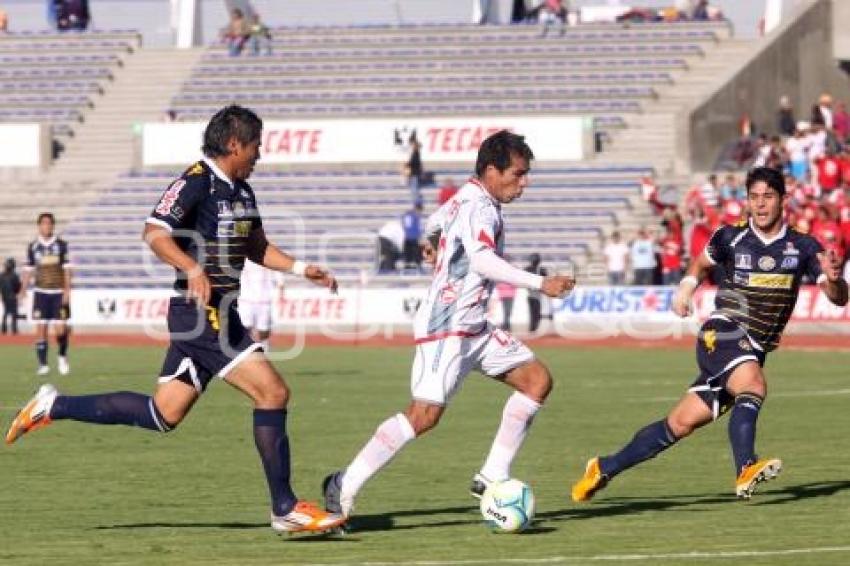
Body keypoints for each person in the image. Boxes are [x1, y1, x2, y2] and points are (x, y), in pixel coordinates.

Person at [5, 106, 345, 534]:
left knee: (161, 413)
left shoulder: (242, 191)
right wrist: (192, 268)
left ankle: (53, 404)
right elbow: (154, 231)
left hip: (222, 313)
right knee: (273, 392)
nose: (260, 154)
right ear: (235, 143)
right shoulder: (196, 181)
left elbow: (256, 245)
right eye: (256, 145)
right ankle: (285, 507)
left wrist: (301, 269)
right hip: (200, 313)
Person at [321, 131, 575, 520]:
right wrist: (541, 283)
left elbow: (436, 224)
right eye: (518, 174)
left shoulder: (465, 198)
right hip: (447, 325)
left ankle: (492, 475)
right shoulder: (481, 208)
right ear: (492, 170)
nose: (524, 183)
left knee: (536, 380)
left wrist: (432, 242)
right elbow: (482, 260)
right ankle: (344, 485)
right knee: (423, 416)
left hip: (473, 325)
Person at [571, 167, 848, 503]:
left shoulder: (803, 246)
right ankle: (745, 468)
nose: (760, 205)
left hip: (752, 349)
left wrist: (834, 279)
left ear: (783, 200)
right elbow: (700, 265)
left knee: (679, 424)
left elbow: (838, 298)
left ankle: (602, 467)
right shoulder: (729, 237)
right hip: (723, 331)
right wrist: (685, 289)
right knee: (754, 385)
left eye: (768, 197)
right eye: (754, 197)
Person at [18, 213, 72, 375]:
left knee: (60, 329)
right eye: (43, 223)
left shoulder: (61, 245)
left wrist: (67, 290)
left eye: (49, 223)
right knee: (41, 329)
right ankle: (43, 364)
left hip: (57, 293)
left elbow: (67, 270)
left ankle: (62, 356)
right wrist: (22, 290)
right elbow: (28, 271)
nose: (46, 226)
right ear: (39, 226)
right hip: (41, 293)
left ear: (53, 226)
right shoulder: (33, 247)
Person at [238, 259, 283, 352]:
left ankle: (263, 350)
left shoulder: (269, 260)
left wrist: (278, 297)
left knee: (264, 330)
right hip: (246, 300)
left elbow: (280, 283)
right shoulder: (243, 259)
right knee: (245, 329)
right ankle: (248, 352)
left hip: (265, 301)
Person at [524, 253, 548, 333]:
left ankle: (534, 327)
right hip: (532, 293)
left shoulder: (540, 270)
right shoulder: (528, 269)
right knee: (534, 311)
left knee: (536, 312)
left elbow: (545, 278)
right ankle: (533, 327)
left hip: (536, 294)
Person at [0, 258, 21, 334]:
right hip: (12, 296)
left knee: (6, 312)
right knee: (13, 313)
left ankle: (3, 329)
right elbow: (18, 286)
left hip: (5, 296)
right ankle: (14, 329)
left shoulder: (2, 275)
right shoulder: (14, 275)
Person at [401, 200, 423, 271]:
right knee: (416, 252)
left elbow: (405, 225)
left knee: (408, 254)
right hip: (413, 237)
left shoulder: (407, 214)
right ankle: (417, 265)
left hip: (407, 237)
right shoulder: (415, 215)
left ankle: (408, 265)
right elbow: (417, 228)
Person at [404, 140, 423, 204]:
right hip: (414, 173)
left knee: (414, 188)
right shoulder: (416, 153)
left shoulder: (416, 153)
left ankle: (417, 201)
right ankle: (416, 200)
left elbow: (413, 163)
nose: (412, 147)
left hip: (414, 174)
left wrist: (407, 164)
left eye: (414, 145)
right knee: (413, 188)